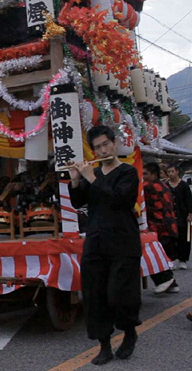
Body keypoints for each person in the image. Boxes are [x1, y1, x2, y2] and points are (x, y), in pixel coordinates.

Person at [69, 125, 141, 365]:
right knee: (94, 295)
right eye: (97, 147)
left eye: (105, 145)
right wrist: (76, 180)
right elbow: (80, 202)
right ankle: (104, 344)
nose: (101, 150)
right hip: (96, 240)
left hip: (123, 241)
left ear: (114, 143)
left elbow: (120, 200)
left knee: (118, 294)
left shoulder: (128, 173)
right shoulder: (94, 175)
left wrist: (91, 177)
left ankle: (129, 332)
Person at [142, 163, 179, 294]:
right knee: (162, 256)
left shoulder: (148, 186)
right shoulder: (165, 185)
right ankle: (172, 284)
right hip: (170, 226)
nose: (143, 176)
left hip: (158, 227)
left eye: (145, 174)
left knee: (153, 255)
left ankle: (165, 280)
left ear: (154, 175)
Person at [166, 163, 192, 269]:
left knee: (184, 238)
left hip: (182, 214)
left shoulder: (184, 185)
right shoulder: (166, 185)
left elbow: (189, 200)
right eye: (169, 172)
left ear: (177, 171)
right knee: (170, 239)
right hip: (170, 215)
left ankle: (183, 260)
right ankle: (170, 260)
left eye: (172, 171)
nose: (171, 174)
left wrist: (190, 213)